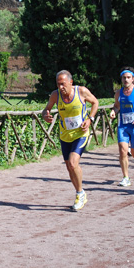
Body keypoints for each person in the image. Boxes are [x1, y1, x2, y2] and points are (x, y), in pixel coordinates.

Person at [42, 70, 99, 210]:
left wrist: (90, 119)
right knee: (69, 167)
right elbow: (46, 109)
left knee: (73, 163)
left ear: (70, 82)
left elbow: (95, 102)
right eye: (58, 84)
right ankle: (80, 192)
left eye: (63, 84)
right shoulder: (55, 95)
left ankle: (80, 194)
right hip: (65, 136)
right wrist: (45, 115)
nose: (61, 87)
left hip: (81, 134)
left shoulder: (81, 91)